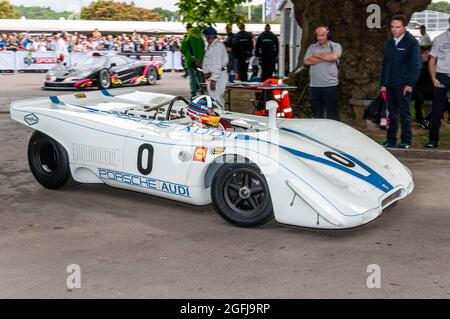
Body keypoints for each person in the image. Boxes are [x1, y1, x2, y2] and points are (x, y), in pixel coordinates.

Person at [381, 15, 422, 149]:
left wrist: (410, 84)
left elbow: (416, 65)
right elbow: (385, 64)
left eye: (397, 27)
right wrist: (383, 84)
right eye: (392, 27)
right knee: (391, 114)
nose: (394, 30)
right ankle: (391, 140)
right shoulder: (390, 43)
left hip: (403, 85)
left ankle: (406, 141)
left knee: (404, 114)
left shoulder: (411, 43)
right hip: (390, 84)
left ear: (404, 27)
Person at [304, 25, 342, 121]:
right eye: (318, 35)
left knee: (332, 113)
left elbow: (334, 57)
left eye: (322, 35)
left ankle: (333, 132)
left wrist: (316, 56)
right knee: (317, 113)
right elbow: (307, 61)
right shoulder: (312, 47)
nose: (320, 37)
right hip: (314, 86)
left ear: (328, 35)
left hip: (330, 85)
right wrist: (326, 57)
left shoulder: (335, 46)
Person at [426, 18, 450, 148]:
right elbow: (432, 60)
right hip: (442, 77)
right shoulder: (440, 38)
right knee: (437, 109)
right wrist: (433, 77)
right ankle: (432, 141)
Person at [201, 26, 229, 107]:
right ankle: (219, 116)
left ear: (209, 37)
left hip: (217, 76)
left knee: (215, 101)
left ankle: (219, 117)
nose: (206, 39)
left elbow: (217, 64)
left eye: (206, 37)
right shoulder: (215, 46)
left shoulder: (216, 47)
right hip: (216, 75)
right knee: (217, 99)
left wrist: (214, 80)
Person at [180, 23, 206, 98]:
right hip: (200, 59)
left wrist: (186, 54)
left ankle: (193, 93)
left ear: (188, 29)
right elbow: (203, 46)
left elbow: (182, 49)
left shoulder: (187, 37)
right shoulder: (199, 36)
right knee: (199, 75)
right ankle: (201, 89)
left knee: (192, 77)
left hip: (191, 59)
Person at [412, 46, 434, 129]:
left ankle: (428, 120)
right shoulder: (416, 64)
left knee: (443, 99)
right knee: (419, 98)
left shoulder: (427, 64)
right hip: (416, 89)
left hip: (426, 90)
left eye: (428, 54)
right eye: (426, 54)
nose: (427, 56)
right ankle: (420, 119)